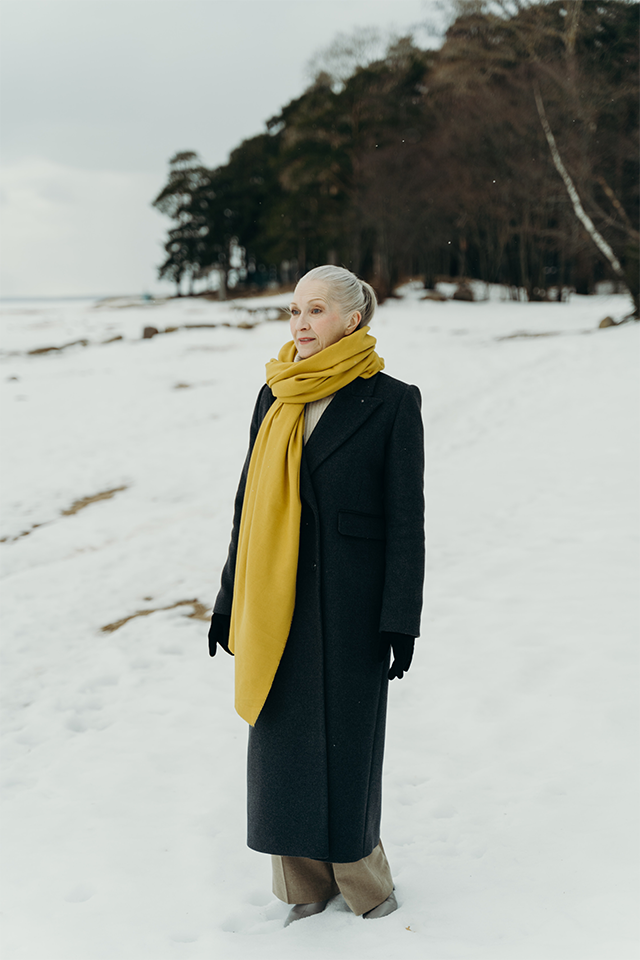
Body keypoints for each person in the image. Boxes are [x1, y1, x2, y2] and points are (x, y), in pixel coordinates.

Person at [208, 265, 425, 925]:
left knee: (351, 743)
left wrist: (399, 618)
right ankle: (303, 885)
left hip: (354, 605)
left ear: (354, 318)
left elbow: (404, 520)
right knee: (284, 744)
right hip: (276, 601)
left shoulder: (390, 400)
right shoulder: (273, 397)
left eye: (316, 311)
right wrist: (226, 602)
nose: (300, 325)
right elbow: (250, 511)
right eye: (294, 311)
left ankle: (363, 882)